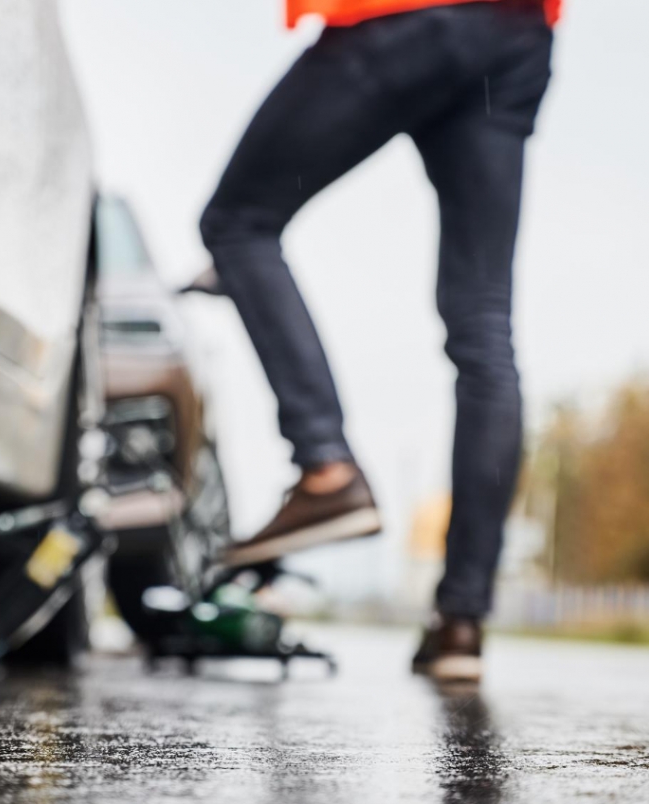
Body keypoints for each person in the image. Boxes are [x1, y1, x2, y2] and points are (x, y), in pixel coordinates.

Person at [199, 0, 559, 681]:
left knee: (238, 221)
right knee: (484, 325)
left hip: (403, 18)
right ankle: (460, 620)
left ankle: (325, 465)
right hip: (516, 30)